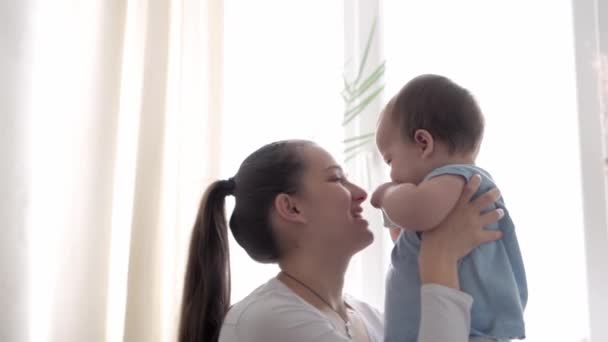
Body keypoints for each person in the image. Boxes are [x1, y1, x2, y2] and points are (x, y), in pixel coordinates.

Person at [178, 139, 504, 342]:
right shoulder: (268, 321)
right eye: (337, 179)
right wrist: (439, 258)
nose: (361, 193)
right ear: (291, 207)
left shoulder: (368, 317)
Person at [371, 74, 527, 342]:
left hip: (465, 329)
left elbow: (417, 209)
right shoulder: (447, 193)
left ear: (424, 143)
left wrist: (386, 194)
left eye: (390, 160)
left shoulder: (454, 179)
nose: (393, 176)